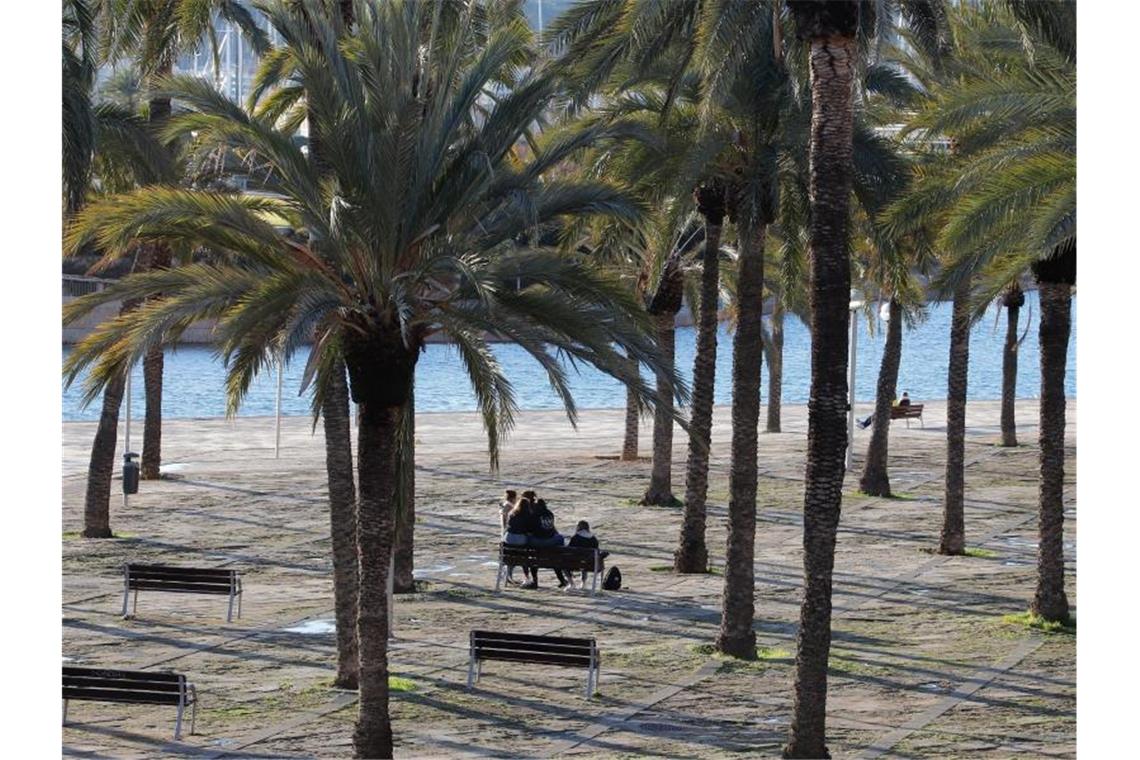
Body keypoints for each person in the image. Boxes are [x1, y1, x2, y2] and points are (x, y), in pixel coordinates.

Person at [527, 499, 567, 588]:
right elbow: (551, 528)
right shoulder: (550, 513)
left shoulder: (534, 515)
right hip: (550, 541)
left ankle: (535, 580)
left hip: (538, 542)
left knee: (534, 557)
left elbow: (530, 530)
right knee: (560, 538)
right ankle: (562, 579)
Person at [503, 498, 533, 586]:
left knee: (511, 556)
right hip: (520, 539)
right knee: (524, 557)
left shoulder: (512, 514)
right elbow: (529, 530)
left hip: (509, 538)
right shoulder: (528, 515)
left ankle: (509, 575)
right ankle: (527, 577)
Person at [568, 520, 607, 588]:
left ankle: (571, 583)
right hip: (590, 564)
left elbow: (569, 550)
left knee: (564, 563)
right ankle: (583, 583)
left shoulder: (575, 537)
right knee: (585, 562)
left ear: (578, 527)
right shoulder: (593, 539)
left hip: (574, 563)